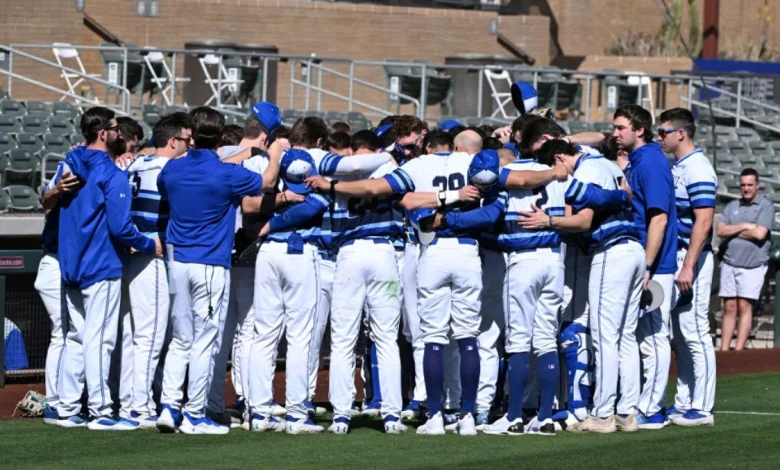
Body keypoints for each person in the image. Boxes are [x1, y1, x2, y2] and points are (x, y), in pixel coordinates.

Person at [155, 107, 281, 435]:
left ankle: (169, 406)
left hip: (177, 263)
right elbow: (266, 182)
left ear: (191, 136)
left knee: (181, 339)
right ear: (220, 136)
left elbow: (184, 178)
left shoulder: (171, 169)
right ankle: (195, 414)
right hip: (210, 264)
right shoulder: (226, 174)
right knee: (204, 341)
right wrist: (275, 153)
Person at [519, 139, 644, 434]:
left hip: (612, 252)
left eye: (555, 166)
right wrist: (622, 197)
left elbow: (586, 212)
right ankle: (627, 412)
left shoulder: (586, 168)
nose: (557, 173)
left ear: (561, 157)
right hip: (633, 250)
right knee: (625, 336)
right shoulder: (608, 163)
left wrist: (548, 219)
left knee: (605, 336)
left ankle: (602, 415)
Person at [57, 106, 163, 431]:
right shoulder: (110, 173)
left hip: (71, 263)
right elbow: (121, 227)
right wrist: (149, 245)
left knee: (75, 337)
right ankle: (101, 410)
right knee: (99, 340)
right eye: (116, 128)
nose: (120, 133)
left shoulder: (70, 164)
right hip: (100, 263)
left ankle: (67, 407)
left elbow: (48, 198)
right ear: (103, 133)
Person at [115, 113, 193, 429]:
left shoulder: (134, 164)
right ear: (173, 141)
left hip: (131, 251)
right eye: (187, 140)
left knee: (132, 333)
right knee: (150, 334)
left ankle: (128, 403)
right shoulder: (170, 168)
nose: (191, 145)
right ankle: (139, 407)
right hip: (153, 254)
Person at [247, 149, 331, 434]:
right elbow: (311, 208)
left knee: (264, 335)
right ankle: (295, 414)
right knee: (298, 336)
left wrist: (271, 222)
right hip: (299, 256)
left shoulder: (273, 189)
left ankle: (259, 413)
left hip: (269, 253)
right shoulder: (315, 185)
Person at [611, 104, 678, 430]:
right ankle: (645, 404)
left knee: (653, 337)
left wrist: (649, 265)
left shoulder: (650, 160)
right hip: (645, 258)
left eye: (621, 127)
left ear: (640, 129)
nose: (615, 133)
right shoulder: (639, 159)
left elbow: (659, 217)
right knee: (642, 337)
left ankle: (652, 408)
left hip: (657, 262)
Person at [655, 107, 718, 427]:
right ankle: (683, 402)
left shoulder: (698, 168)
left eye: (663, 132)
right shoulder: (680, 165)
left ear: (681, 133)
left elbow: (704, 221)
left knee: (695, 332)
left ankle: (703, 407)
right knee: (679, 336)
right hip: (679, 257)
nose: (659, 137)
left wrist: (689, 266)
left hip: (693, 258)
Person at [716, 168, 774, 351]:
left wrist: (733, 230)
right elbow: (720, 230)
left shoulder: (766, 206)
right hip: (729, 262)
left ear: (757, 185)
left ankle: (739, 351)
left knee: (744, 306)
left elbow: (760, 233)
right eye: (743, 185)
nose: (746, 189)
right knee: (730, 306)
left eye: (750, 185)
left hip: (753, 264)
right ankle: (724, 350)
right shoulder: (732, 206)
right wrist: (744, 226)